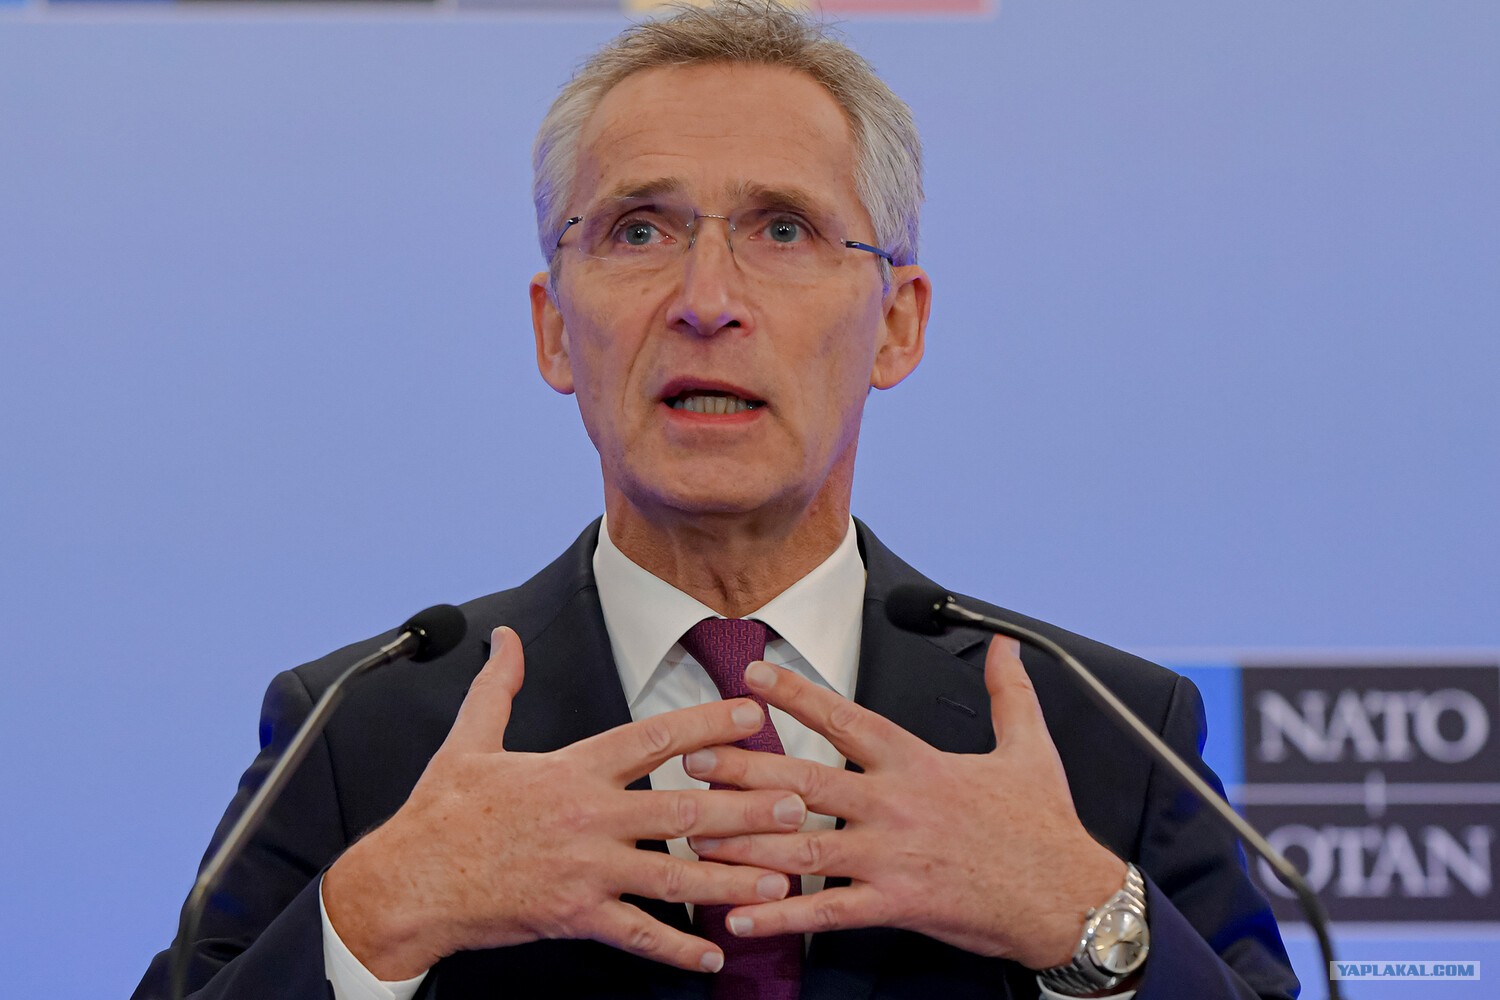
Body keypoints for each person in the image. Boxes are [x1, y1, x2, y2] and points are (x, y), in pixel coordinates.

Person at [134, 3, 1299, 998]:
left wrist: (1084, 920)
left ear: (897, 325)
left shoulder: (1101, 733)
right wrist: (380, 912)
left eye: (782, 229)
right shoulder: (367, 731)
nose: (706, 299)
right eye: (639, 229)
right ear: (554, 329)